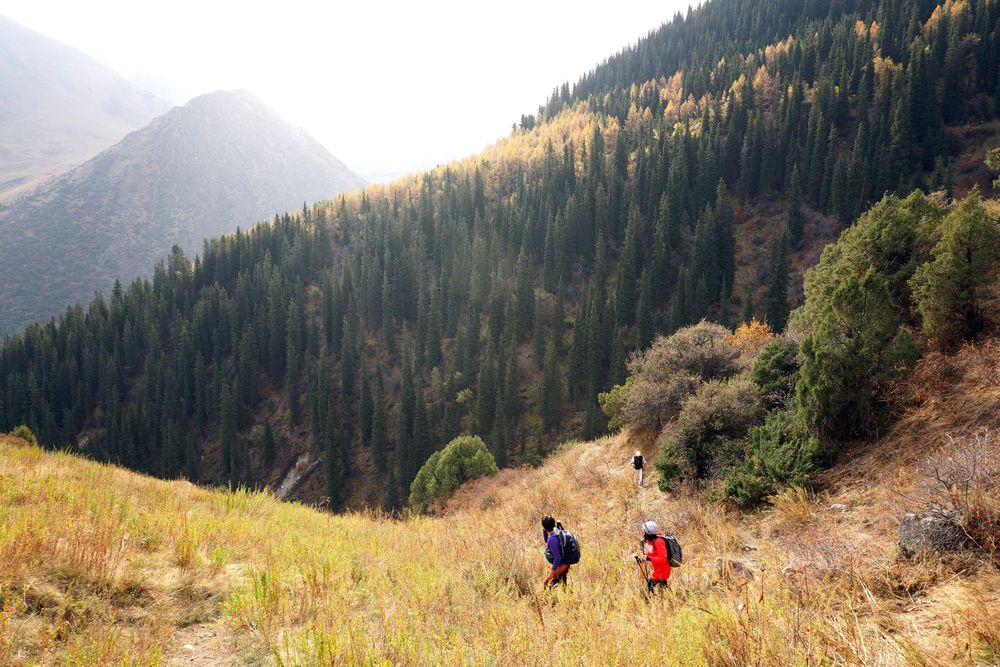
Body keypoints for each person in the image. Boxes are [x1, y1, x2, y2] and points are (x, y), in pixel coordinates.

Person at [638, 520, 670, 594]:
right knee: (664, 587)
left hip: (662, 569)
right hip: (658, 568)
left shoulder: (659, 541)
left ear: (647, 532)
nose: (643, 532)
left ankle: (650, 601)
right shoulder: (651, 541)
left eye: (644, 531)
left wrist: (649, 558)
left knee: (649, 586)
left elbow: (663, 559)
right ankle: (667, 600)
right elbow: (652, 553)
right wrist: (643, 559)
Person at [541, 515, 570, 588]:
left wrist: (552, 571)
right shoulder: (557, 531)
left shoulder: (552, 540)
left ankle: (548, 599)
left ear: (544, 527)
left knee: (546, 584)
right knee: (562, 583)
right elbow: (547, 542)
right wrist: (544, 530)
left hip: (561, 564)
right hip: (566, 561)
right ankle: (565, 595)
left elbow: (557, 557)